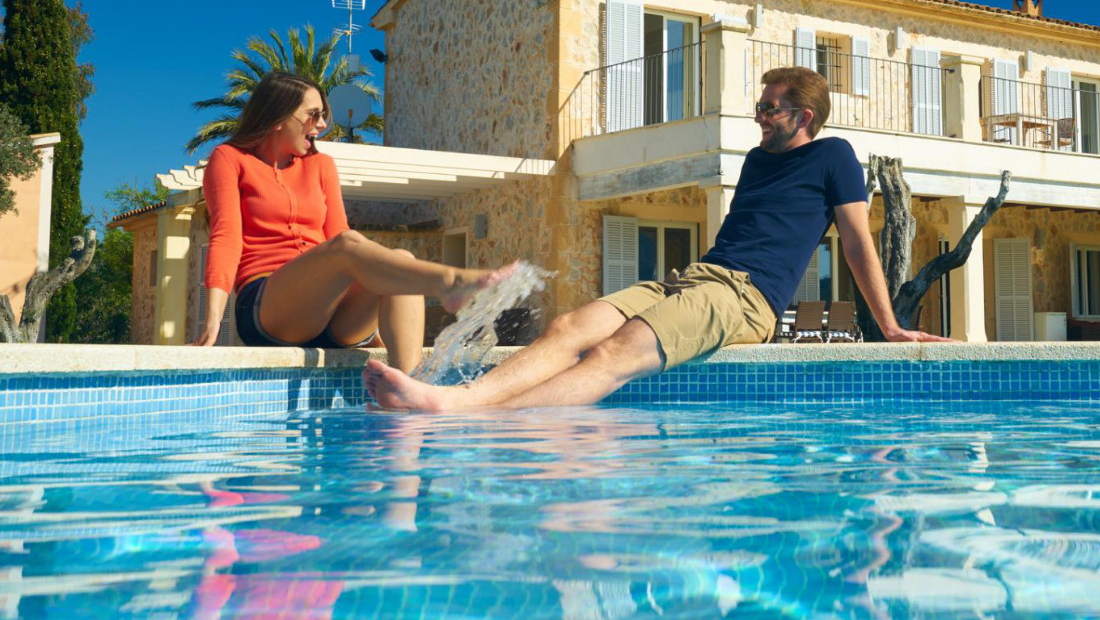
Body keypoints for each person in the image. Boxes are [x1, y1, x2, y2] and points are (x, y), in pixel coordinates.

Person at [363, 66, 952, 409]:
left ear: (803, 116)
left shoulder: (834, 156)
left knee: (618, 351)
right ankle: (455, 402)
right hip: (698, 278)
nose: (758, 114)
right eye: (759, 105)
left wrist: (890, 326)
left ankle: (470, 423)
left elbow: (855, 243)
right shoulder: (753, 161)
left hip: (747, 298)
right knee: (572, 326)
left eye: (769, 107)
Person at [195, 70, 509, 371]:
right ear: (279, 116)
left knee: (399, 260)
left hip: (334, 319)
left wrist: (380, 332)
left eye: (323, 116)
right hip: (268, 309)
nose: (321, 125)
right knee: (347, 246)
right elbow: (226, 237)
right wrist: (213, 321)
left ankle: (408, 387)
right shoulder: (231, 159)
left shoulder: (321, 166)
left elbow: (338, 233)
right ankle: (447, 281)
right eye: (313, 114)